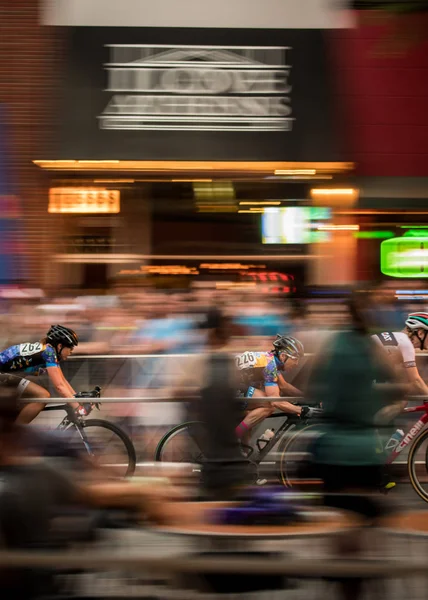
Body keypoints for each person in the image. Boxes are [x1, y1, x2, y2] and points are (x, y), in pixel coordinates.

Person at [0, 324, 84, 424]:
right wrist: (78, 407)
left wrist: (76, 399)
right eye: (70, 348)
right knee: (42, 395)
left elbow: (62, 381)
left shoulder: (50, 351)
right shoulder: (49, 353)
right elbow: (59, 387)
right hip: (3, 374)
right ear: (60, 346)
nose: (71, 352)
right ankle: (16, 434)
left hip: (7, 374)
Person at [234, 334, 310, 441]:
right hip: (231, 387)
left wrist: (307, 397)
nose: (297, 363)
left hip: (232, 386)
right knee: (268, 404)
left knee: (249, 418)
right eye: (295, 359)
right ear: (283, 356)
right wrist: (301, 410)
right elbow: (275, 401)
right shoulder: (270, 365)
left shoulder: (270, 360)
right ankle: (232, 439)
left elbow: (284, 386)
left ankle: (242, 453)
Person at [371, 313, 428, 422]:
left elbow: (401, 375)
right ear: (420, 333)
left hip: (368, 372)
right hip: (365, 375)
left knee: (400, 401)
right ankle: (372, 429)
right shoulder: (406, 344)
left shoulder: (399, 338)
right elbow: (415, 380)